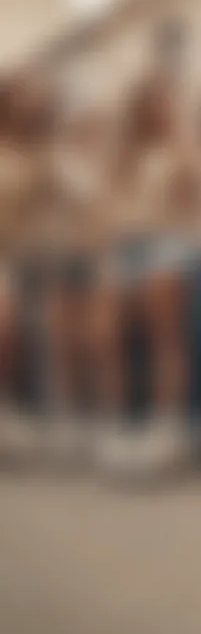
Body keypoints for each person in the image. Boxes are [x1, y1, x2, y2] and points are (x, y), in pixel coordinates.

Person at [94, 71, 198, 478]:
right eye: (152, 103)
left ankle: (166, 429)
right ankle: (120, 426)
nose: (160, 110)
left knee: (165, 341)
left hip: (163, 244)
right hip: (122, 248)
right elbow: (104, 204)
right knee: (112, 340)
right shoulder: (119, 152)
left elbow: (192, 198)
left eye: (166, 103)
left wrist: (185, 145)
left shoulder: (180, 149)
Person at [43, 101, 114, 466]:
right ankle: (69, 421)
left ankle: (101, 419)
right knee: (66, 343)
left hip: (97, 259)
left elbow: (108, 214)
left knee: (98, 341)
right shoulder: (57, 162)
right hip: (63, 256)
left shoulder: (108, 163)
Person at [0, 72, 48, 461]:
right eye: (21, 97)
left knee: (10, 328)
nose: (30, 104)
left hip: (25, 256)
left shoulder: (39, 153)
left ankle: (10, 411)